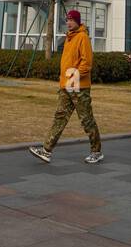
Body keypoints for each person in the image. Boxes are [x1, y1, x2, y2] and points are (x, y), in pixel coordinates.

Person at [30, 10, 103, 165]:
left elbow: (87, 63)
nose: (68, 23)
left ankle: (96, 151)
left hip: (79, 86)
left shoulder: (82, 37)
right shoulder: (69, 38)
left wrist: (73, 75)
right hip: (66, 86)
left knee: (86, 119)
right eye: (67, 20)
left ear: (77, 21)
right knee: (60, 117)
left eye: (71, 20)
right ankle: (46, 150)